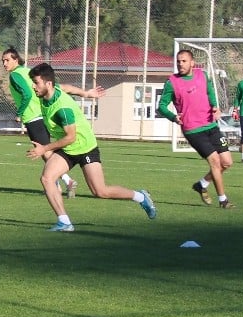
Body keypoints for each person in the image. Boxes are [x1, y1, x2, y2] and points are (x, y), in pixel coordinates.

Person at [26, 63, 156, 231]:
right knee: (47, 178)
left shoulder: (63, 109)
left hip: (85, 147)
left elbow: (71, 137)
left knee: (100, 192)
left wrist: (44, 149)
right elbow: (66, 87)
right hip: (68, 149)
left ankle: (141, 197)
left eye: (36, 83)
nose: (33, 86)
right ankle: (64, 222)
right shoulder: (52, 91)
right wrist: (86, 93)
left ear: (48, 83)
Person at [2, 47, 105, 197]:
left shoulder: (15, 75)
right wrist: (86, 93)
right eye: (3, 61)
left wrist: (19, 113)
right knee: (46, 151)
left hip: (33, 117)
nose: (4, 63)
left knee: (45, 151)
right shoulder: (27, 71)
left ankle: (64, 182)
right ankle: (60, 182)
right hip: (43, 114)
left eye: (7, 60)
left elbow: (27, 94)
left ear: (16, 60)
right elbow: (62, 87)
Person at [157, 49, 235, 208]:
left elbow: (210, 93)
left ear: (192, 63)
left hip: (211, 125)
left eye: (184, 61)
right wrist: (173, 117)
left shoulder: (202, 75)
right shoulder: (172, 82)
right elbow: (162, 106)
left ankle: (202, 184)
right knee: (215, 161)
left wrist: (215, 107)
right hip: (193, 130)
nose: (180, 64)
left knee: (227, 162)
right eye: (178, 61)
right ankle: (223, 200)